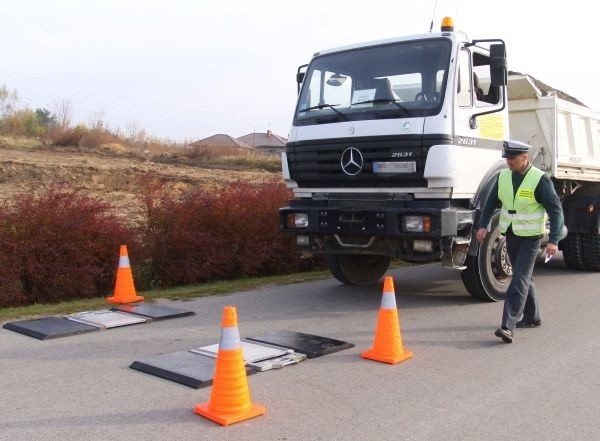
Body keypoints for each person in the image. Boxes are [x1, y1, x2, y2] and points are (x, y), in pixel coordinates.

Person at [475, 140, 564, 343]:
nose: (509, 162)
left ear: (525, 158)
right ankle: (532, 317)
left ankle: (508, 325)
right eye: (506, 158)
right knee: (523, 277)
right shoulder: (503, 177)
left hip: (531, 238)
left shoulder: (540, 180)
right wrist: (483, 225)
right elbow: (490, 203)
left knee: (519, 280)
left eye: (512, 159)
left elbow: (555, 211)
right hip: (511, 235)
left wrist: (554, 240)